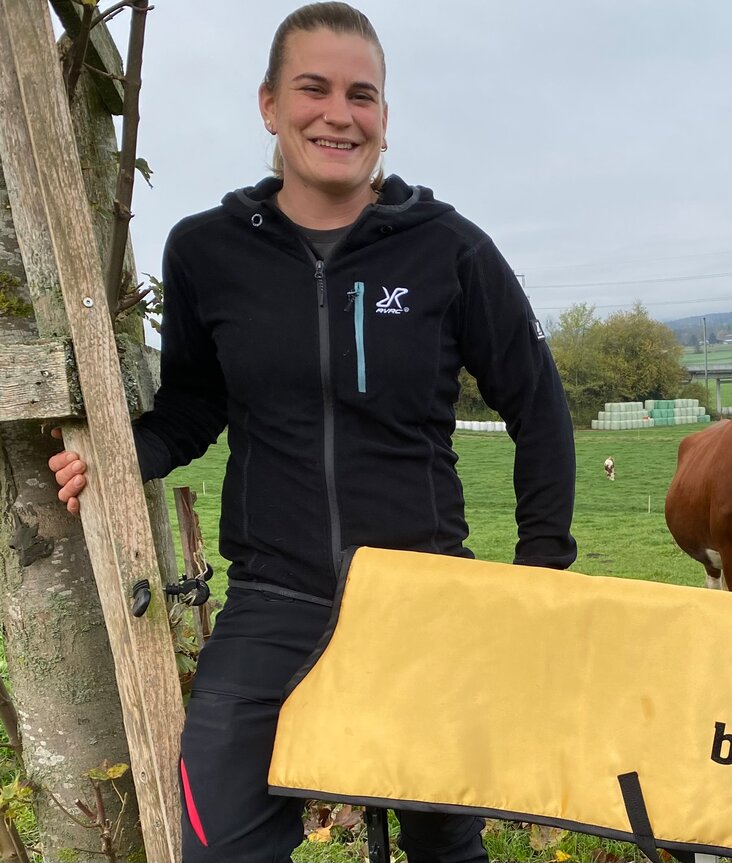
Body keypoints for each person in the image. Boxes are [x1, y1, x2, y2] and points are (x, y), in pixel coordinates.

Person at [48, 3, 577, 860]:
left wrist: (541, 575)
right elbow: (193, 405)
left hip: (424, 600)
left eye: (362, 95)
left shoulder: (450, 250)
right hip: (273, 603)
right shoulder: (206, 252)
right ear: (269, 105)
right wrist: (118, 457)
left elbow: (539, 406)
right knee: (217, 844)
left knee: (445, 844)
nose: (340, 114)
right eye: (313, 89)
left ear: (385, 118)